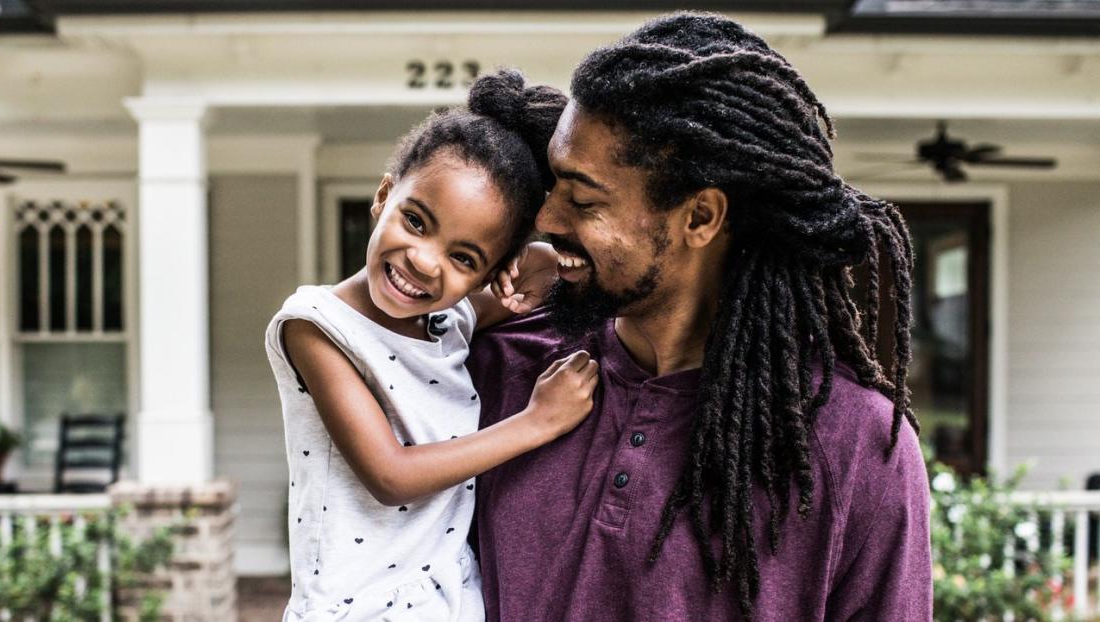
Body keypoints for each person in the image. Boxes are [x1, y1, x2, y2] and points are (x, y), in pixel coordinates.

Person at [467, 12, 933, 620]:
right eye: (555, 184)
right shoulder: (504, 363)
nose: (549, 218)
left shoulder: (855, 446)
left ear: (700, 218)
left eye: (583, 199)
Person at [265, 70, 594, 621]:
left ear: (487, 272)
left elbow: (539, 279)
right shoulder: (318, 326)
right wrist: (538, 422)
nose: (423, 260)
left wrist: (528, 258)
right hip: (360, 606)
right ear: (383, 194)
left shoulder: (447, 321)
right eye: (415, 221)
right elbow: (390, 475)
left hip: (450, 594)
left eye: (463, 258)